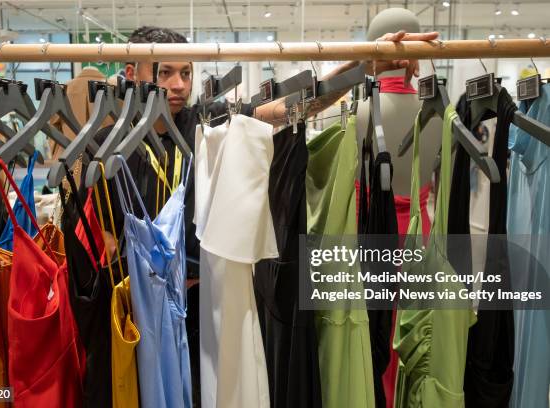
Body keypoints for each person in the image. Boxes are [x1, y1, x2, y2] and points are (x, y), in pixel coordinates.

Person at [95, 26, 438, 408]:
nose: (178, 84)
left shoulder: (207, 124)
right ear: (132, 74)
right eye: (164, 73)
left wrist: (362, 66)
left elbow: (291, 108)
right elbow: (107, 246)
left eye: (186, 72)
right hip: (140, 315)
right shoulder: (111, 147)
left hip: (205, 304)